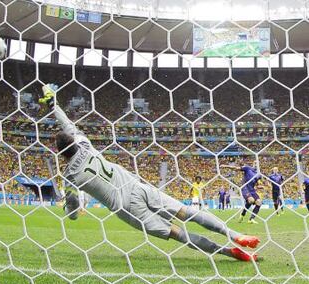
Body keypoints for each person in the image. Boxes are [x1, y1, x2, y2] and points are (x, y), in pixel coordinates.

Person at [39, 84, 260, 262]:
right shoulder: (84, 143)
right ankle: (235, 235)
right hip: (138, 187)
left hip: (126, 206)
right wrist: (53, 105)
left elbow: (74, 211)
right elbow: (68, 124)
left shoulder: (70, 176)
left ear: (60, 155)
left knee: (178, 233)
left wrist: (71, 212)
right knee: (187, 212)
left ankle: (228, 253)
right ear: (74, 143)